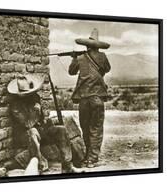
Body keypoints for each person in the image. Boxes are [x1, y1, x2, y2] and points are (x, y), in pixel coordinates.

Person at [7, 74, 83, 173]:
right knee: (33, 132)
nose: (31, 95)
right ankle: (41, 165)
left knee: (61, 130)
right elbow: (27, 124)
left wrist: (47, 122)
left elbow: (41, 120)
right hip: (24, 135)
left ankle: (67, 165)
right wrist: (35, 112)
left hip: (39, 131)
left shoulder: (35, 98)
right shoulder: (15, 105)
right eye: (28, 94)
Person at [68, 28, 111, 168]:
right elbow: (106, 69)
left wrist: (75, 58)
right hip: (97, 98)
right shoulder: (103, 57)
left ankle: (88, 156)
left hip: (84, 99)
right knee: (96, 128)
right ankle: (92, 159)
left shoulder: (80, 58)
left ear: (87, 45)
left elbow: (71, 71)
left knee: (85, 127)